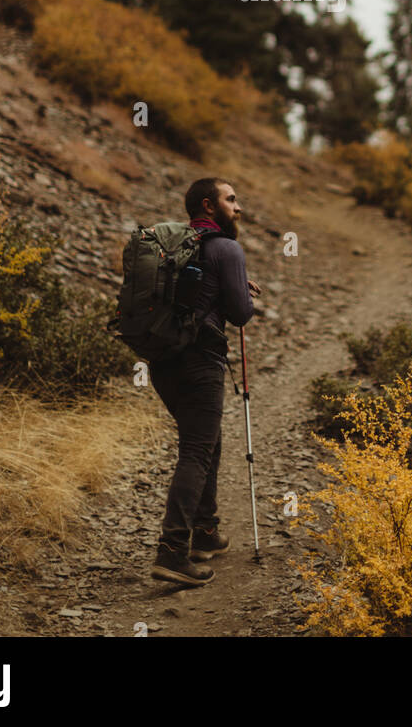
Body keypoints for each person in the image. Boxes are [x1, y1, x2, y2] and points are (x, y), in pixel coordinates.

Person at [149, 177, 260, 586]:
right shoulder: (226, 248)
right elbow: (241, 315)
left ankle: (205, 531)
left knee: (206, 442)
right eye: (232, 199)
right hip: (201, 361)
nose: (239, 207)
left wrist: (230, 287)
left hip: (163, 363)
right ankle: (173, 551)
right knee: (196, 451)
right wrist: (242, 291)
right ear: (209, 206)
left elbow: (193, 294)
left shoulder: (173, 248)